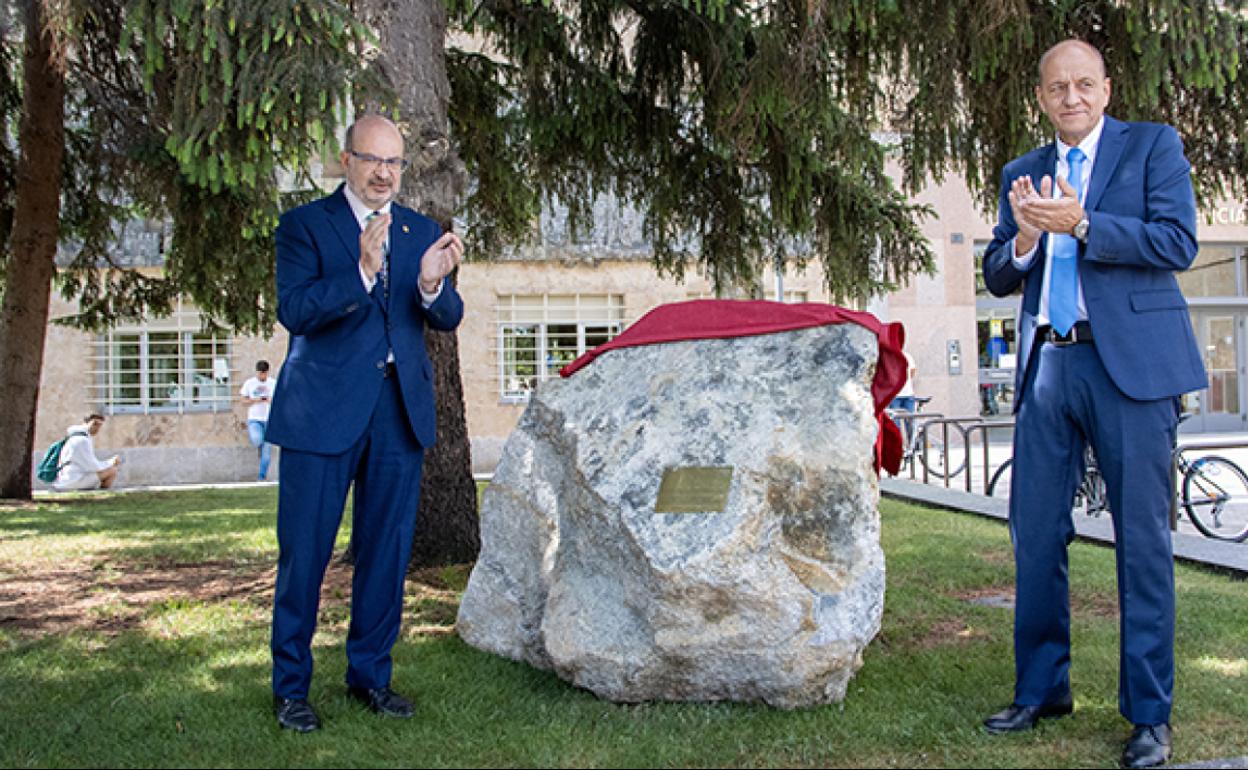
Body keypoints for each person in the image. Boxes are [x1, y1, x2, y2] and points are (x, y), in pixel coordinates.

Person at [981, 40, 1205, 769]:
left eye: (1083, 84)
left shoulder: (1153, 148)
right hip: (1051, 365)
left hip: (1131, 372)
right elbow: (997, 275)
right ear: (1041, 98)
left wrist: (1080, 224)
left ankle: (1148, 715)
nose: (1071, 96)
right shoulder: (1022, 171)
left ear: (1105, 89)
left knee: (1141, 545)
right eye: (1056, 87)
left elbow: (1176, 242)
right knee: (1036, 535)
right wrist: (1022, 235)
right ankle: (1042, 689)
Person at [263, 114, 464, 733]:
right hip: (320, 416)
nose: (384, 173)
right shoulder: (304, 226)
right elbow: (295, 311)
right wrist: (360, 273)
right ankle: (291, 688)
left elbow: (448, 315)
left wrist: (431, 285)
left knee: (386, 552)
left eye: (395, 163)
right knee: (307, 556)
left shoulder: (421, 230)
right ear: (345, 160)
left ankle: (370, 676)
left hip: (396, 415)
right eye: (373, 160)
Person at [52, 414, 122, 491]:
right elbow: (93, 466)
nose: (97, 428)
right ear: (85, 423)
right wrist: (111, 462)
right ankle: (102, 494)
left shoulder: (75, 437)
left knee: (109, 469)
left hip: (68, 478)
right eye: (94, 424)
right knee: (112, 470)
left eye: (99, 425)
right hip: (72, 481)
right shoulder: (82, 440)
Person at [239, 360, 274, 480]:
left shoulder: (273, 383)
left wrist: (270, 400)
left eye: (264, 373)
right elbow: (243, 401)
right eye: (260, 373)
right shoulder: (250, 383)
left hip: (269, 419)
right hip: (255, 419)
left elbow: (280, 402)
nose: (262, 376)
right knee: (257, 439)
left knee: (267, 453)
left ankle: (261, 477)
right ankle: (259, 445)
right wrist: (255, 400)